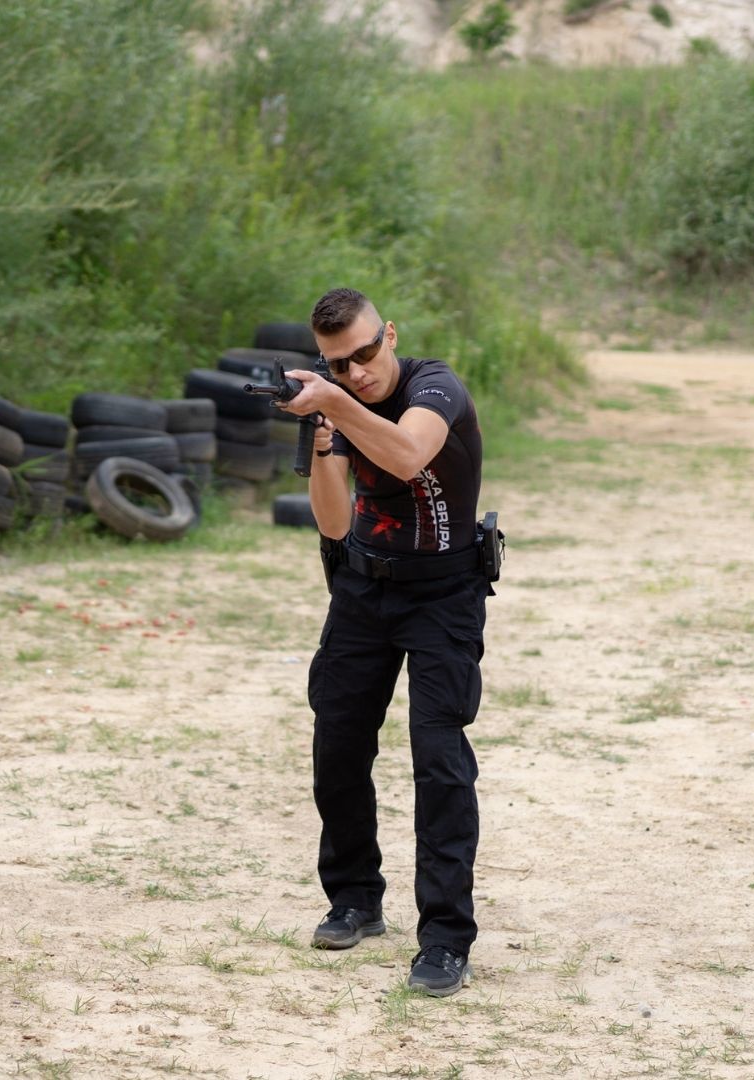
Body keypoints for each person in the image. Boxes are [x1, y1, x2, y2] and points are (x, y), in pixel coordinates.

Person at [272, 286, 488, 998]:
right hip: (363, 588)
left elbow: (406, 454)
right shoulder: (336, 403)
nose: (357, 371)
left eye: (366, 353)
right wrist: (323, 441)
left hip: (444, 594)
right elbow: (335, 523)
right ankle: (355, 899)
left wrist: (335, 405)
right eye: (338, 364)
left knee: (439, 761)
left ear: (388, 335)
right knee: (336, 743)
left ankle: (446, 939)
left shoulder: (434, 386)